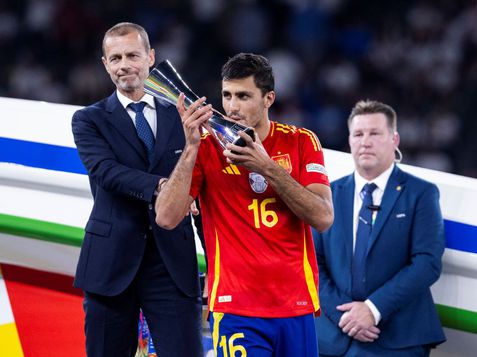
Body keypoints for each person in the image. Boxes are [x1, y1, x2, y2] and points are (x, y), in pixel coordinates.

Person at [155, 53, 334, 356]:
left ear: (269, 98)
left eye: (244, 96)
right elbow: (166, 217)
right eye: (227, 95)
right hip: (236, 305)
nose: (232, 106)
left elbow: (323, 217)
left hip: (296, 303)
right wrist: (191, 147)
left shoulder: (302, 142)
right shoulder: (207, 148)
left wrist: (268, 168)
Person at [71, 22, 202, 356]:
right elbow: (106, 172)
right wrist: (162, 186)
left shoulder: (181, 116)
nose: (123, 65)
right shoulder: (88, 120)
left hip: (171, 264)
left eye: (132, 55)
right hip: (109, 265)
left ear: (151, 57)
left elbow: (201, 180)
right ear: (105, 64)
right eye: (114, 58)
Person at [313, 100, 446, 356]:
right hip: (331, 333)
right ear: (350, 140)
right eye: (358, 134)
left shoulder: (421, 194)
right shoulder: (328, 193)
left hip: (396, 337)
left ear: (394, 139)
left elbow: (427, 263)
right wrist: (347, 316)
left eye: (375, 133)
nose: (365, 141)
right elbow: (311, 261)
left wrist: (373, 309)